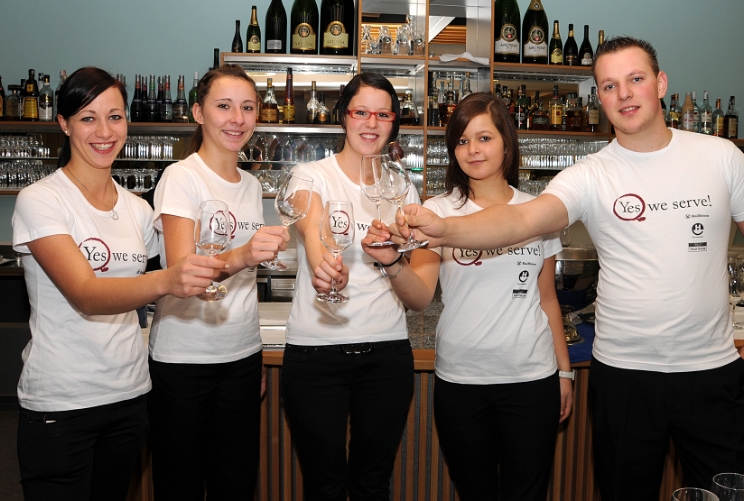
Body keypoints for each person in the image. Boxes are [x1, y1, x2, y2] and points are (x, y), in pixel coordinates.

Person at [391, 37, 744, 500]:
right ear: (599, 97)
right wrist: (444, 228)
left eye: (635, 79)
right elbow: (520, 219)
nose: (624, 94)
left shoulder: (720, 156)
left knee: (732, 492)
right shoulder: (588, 174)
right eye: (610, 85)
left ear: (660, 83)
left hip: (711, 370)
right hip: (623, 375)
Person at [11, 67, 226, 500]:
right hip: (62, 403)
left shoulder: (137, 209)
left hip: (128, 395)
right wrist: (168, 279)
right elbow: (86, 295)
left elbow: (187, 267)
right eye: (88, 118)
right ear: (64, 123)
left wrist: (241, 253)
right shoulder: (41, 200)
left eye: (115, 117)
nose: (105, 132)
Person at [365, 92, 573, 500]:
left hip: (531, 378)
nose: (472, 149)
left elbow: (547, 298)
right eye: (462, 141)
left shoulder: (538, 211)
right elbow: (420, 297)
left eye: (484, 138)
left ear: (507, 143)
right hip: (462, 379)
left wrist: (564, 373)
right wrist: (392, 263)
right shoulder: (438, 211)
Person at [147, 64, 289, 500]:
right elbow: (182, 269)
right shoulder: (181, 176)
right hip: (183, 360)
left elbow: (244, 284)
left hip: (240, 357)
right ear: (199, 113)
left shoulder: (251, 185)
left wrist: (254, 354)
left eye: (247, 108)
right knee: (181, 485)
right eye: (224, 106)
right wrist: (244, 254)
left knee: (236, 483)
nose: (237, 118)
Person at [281, 73, 418, 499]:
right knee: (323, 485)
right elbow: (312, 226)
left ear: (394, 123)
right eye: (361, 112)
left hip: (386, 353)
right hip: (316, 354)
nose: (371, 123)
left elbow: (416, 290)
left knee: (372, 484)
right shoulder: (309, 176)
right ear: (344, 116)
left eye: (383, 114)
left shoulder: (402, 189)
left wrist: (392, 259)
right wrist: (326, 268)